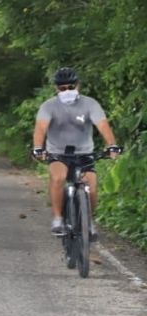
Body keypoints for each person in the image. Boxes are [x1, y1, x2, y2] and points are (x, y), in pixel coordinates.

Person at [32, 67, 120, 239]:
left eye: (71, 87)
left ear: (78, 85)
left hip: (84, 152)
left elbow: (102, 125)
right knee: (58, 177)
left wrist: (112, 145)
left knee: (92, 187)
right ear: (57, 89)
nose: (67, 91)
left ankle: (89, 222)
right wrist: (38, 147)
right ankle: (58, 218)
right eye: (62, 88)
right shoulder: (48, 106)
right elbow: (40, 128)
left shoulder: (90, 104)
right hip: (57, 152)